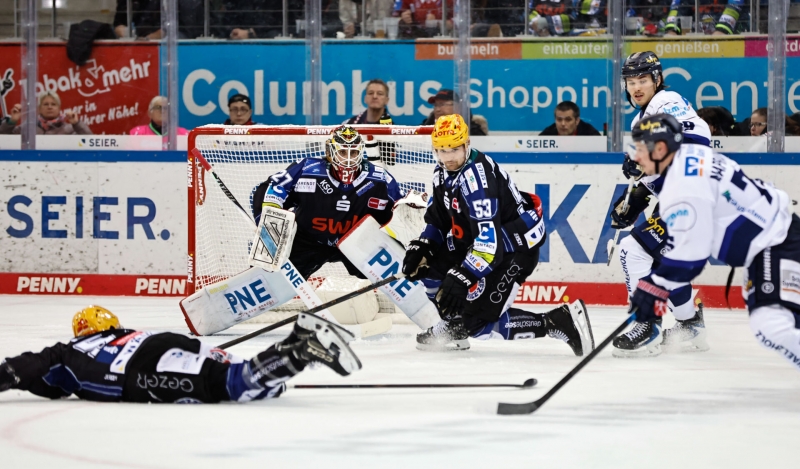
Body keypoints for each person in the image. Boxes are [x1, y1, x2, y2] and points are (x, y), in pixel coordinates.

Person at [401, 114, 595, 353]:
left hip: (514, 247)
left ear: (466, 145)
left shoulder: (477, 182)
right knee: (428, 267)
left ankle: (558, 321)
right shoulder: (440, 173)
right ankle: (454, 326)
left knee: (477, 323)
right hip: (481, 242)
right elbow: (439, 219)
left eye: (454, 149)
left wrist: (463, 275)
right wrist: (425, 245)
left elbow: (489, 243)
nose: (448, 157)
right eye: (442, 150)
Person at [626, 113, 800, 372]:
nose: (636, 157)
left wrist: (652, 289)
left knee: (770, 323)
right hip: (780, 236)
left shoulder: (683, 185)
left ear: (660, 148)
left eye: (640, 149)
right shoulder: (694, 157)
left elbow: (691, 257)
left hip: (776, 244)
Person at [0, 306, 360, 403]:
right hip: (164, 343)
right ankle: (296, 340)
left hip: (137, 373)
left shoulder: (68, 349)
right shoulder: (125, 332)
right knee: (243, 378)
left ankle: (297, 353)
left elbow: (24, 367)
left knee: (230, 387)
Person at [609, 51, 710, 358]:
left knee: (632, 250)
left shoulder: (667, 102)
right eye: (630, 81)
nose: (636, 87)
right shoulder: (643, 118)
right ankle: (690, 326)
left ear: (657, 80)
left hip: (693, 200)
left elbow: (697, 138)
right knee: (660, 264)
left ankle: (647, 325)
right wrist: (637, 197)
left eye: (642, 80)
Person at [251, 125, 405, 280]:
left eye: (354, 152)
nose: (349, 158)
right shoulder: (307, 168)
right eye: (343, 152)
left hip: (355, 242)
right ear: (330, 151)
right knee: (273, 278)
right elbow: (272, 187)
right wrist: (266, 221)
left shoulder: (380, 179)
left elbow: (400, 208)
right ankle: (260, 281)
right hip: (308, 239)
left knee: (394, 273)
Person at [0, 91, 92, 135]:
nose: (50, 107)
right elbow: (3, 139)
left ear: (59, 108)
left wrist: (77, 123)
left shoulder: (69, 129)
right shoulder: (28, 127)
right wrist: (12, 121)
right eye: (46, 104)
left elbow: (89, 141)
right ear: (39, 109)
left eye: (53, 104)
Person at [422, 89, 488, 136]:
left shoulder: (473, 131)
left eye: (442, 104)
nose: (437, 109)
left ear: (457, 107)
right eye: (436, 105)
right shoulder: (425, 128)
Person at [664, 0, 747, 36]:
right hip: (696, 40)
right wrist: (672, 30)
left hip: (729, 39)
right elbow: (677, 8)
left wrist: (722, 30)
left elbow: (734, 6)